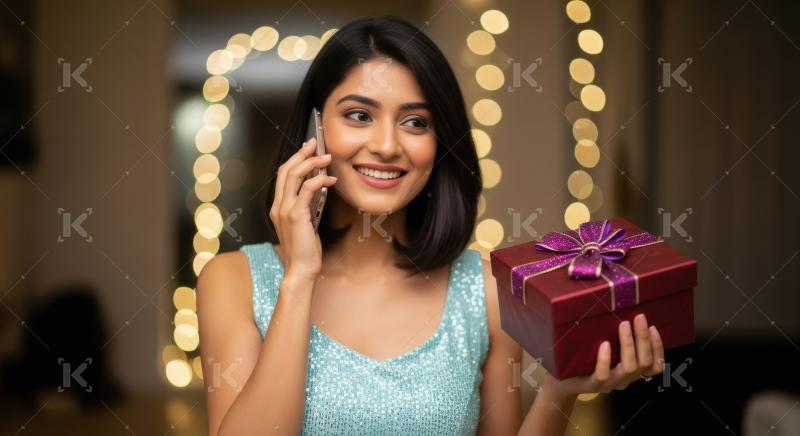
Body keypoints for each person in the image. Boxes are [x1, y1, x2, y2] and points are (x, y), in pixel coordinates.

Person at [197, 15, 665, 436]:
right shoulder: (232, 281)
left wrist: (560, 392)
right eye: (359, 115)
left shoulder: (485, 291)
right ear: (315, 130)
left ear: (440, 145)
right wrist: (299, 277)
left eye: (415, 123)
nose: (386, 145)